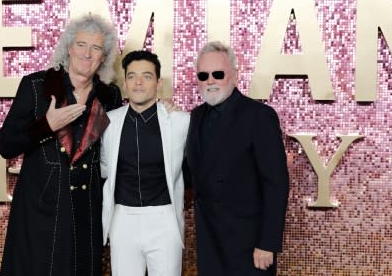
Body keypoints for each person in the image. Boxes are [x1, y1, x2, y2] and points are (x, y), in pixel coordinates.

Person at [0, 14, 123, 276]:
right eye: (81, 45)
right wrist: (46, 125)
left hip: (85, 212)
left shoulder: (110, 96)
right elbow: (6, 144)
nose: (87, 54)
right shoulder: (37, 85)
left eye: (96, 48)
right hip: (40, 209)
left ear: (104, 57)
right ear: (68, 47)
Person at [183, 41, 290, 275]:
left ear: (234, 75)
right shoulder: (194, 117)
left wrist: (267, 243)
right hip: (209, 242)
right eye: (203, 75)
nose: (210, 81)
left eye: (218, 74)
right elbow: (186, 175)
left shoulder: (259, 116)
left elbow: (276, 184)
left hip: (250, 246)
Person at [100, 50, 190, 276]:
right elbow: (103, 168)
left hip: (165, 218)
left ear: (158, 83)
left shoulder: (181, 121)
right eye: (132, 76)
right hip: (122, 219)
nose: (138, 82)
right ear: (125, 82)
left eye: (147, 76)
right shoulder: (108, 121)